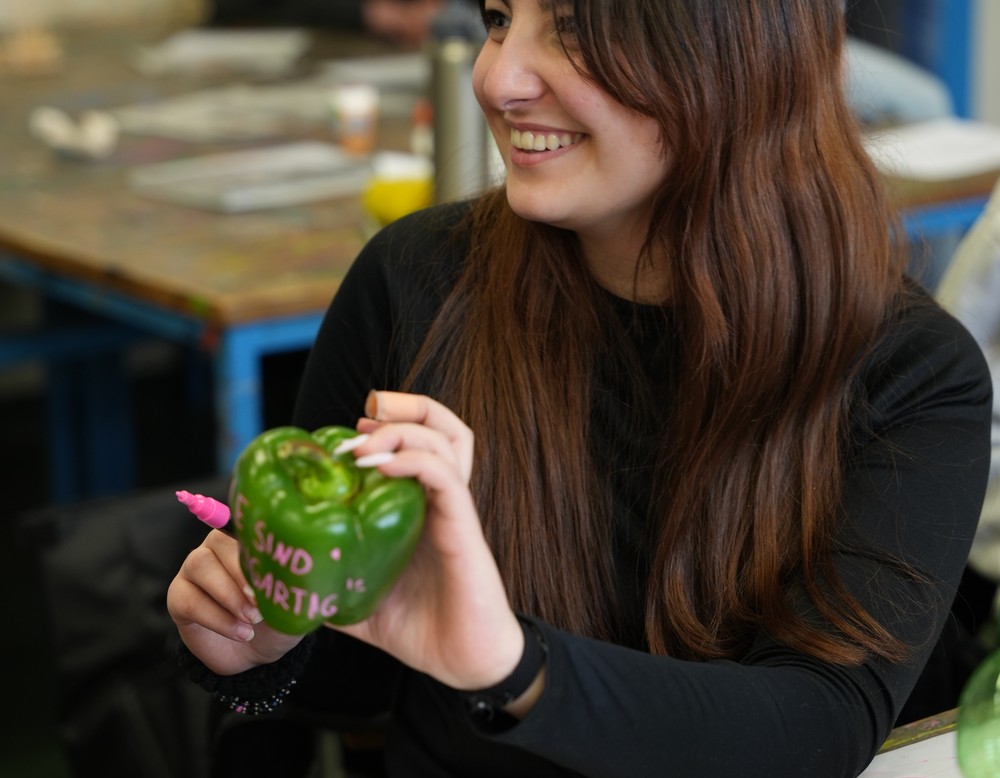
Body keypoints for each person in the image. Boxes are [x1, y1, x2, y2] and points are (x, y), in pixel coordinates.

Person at [167, 1, 993, 776]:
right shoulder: (414, 280)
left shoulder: (911, 373)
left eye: (573, 28)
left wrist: (514, 667)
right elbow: (354, 681)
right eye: (500, 18)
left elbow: (819, 725)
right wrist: (261, 645)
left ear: (734, 51)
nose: (496, 77)